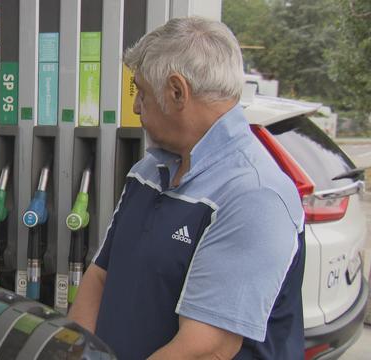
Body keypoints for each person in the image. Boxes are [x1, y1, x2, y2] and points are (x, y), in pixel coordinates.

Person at [68, 17, 305, 359]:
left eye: (142, 93)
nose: (136, 107)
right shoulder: (148, 172)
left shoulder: (253, 196)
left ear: (177, 92)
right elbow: (101, 276)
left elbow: (205, 349)